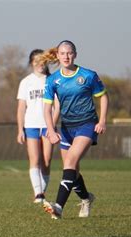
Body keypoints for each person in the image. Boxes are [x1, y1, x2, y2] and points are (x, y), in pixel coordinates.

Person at [40, 40, 108, 219]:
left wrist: (101, 121)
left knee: (69, 162)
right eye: (62, 53)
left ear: (75, 54)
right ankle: (86, 198)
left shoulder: (88, 75)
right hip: (67, 127)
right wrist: (51, 129)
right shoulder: (52, 79)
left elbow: (103, 96)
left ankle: (59, 207)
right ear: (57, 55)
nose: (66, 56)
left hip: (87, 124)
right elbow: (47, 109)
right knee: (72, 170)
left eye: (69, 53)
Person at [16, 49, 59, 203]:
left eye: (42, 61)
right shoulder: (26, 82)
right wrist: (20, 129)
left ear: (46, 62)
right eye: (36, 61)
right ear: (31, 63)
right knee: (34, 159)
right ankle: (38, 194)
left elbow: (57, 105)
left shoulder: (52, 80)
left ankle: (42, 192)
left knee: (46, 161)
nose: (40, 64)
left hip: (48, 126)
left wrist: (52, 126)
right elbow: (21, 107)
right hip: (31, 125)